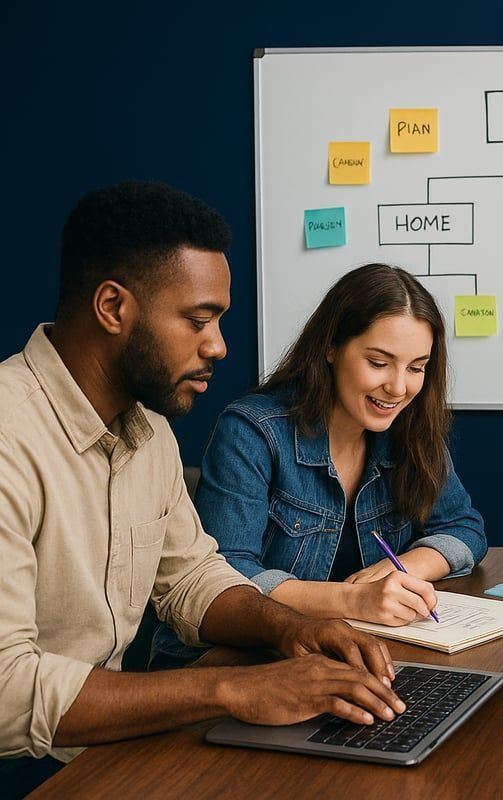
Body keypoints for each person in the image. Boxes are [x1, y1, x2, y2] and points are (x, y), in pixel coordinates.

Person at [0, 181, 405, 796]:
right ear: (113, 307)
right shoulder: (10, 436)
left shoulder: (148, 430)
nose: (218, 346)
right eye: (199, 320)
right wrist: (230, 688)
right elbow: (6, 695)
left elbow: (192, 578)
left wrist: (289, 629)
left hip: (102, 752)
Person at [151, 263, 486, 667]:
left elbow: (464, 527)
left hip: (343, 656)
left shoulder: (409, 430)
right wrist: (354, 600)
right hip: (232, 661)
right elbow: (227, 576)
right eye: (378, 363)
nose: (399, 388)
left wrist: (396, 571)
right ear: (330, 348)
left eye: (416, 368)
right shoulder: (252, 431)